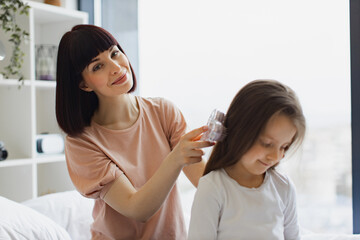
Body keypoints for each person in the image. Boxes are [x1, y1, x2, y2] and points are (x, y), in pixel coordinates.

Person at [55, 24, 213, 240]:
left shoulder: (163, 112)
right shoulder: (82, 143)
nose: (116, 67)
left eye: (114, 53)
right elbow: (137, 209)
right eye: (97, 66)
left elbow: (206, 184)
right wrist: (176, 158)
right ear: (84, 84)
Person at [188, 80, 306, 240]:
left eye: (283, 147)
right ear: (240, 132)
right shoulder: (213, 188)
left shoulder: (283, 187)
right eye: (267, 144)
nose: (275, 156)